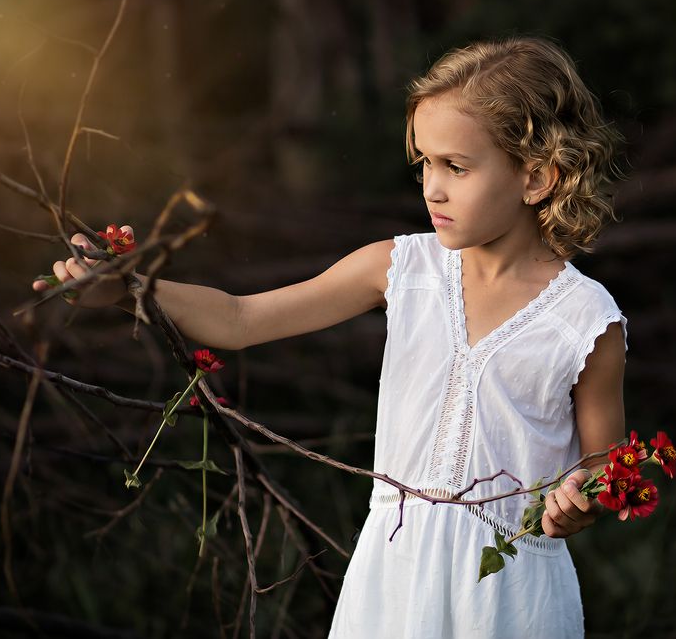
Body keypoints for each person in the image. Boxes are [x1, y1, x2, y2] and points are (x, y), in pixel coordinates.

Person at [33, 36, 628, 638]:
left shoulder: (582, 318)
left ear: (537, 177)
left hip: (512, 596)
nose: (432, 187)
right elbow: (239, 319)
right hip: (393, 576)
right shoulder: (399, 269)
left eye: (457, 166)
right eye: (424, 162)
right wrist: (131, 287)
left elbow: (612, 466)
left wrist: (582, 501)